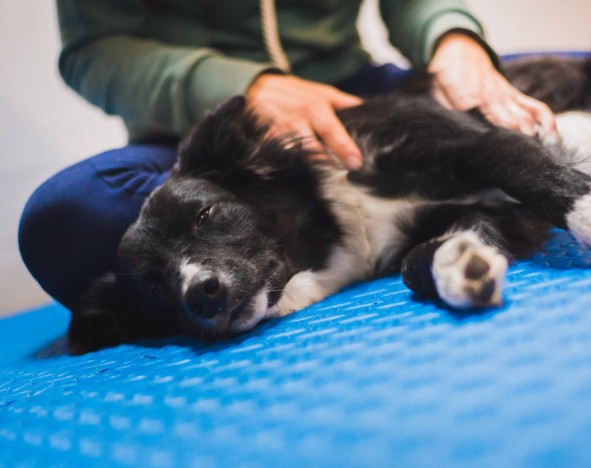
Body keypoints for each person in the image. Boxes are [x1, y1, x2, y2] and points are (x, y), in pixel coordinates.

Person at [19, 0, 556, 309]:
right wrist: (246, 86)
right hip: (198, 142)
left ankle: (366, 236)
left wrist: (452, 38)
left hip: (350, 94)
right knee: (65, 219)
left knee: (559, 84)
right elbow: (95, 48)